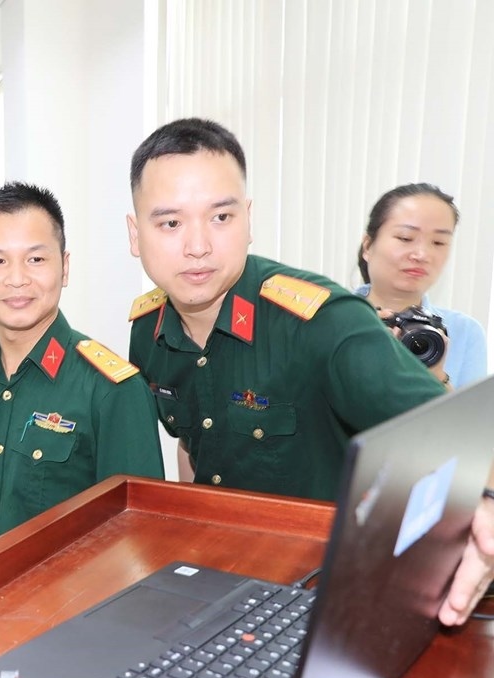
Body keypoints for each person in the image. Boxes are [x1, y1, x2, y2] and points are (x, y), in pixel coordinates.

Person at [123, 117, 493, 627]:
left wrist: (487, 498)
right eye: (170, 223)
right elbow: (192, 443)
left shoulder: (324, 322)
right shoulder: (148, 329)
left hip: (327, 594)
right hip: (221, 582)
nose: (198, 245)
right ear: (134, 234)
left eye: (221, 217)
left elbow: (455, 437)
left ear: (248, 220)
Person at [0, 183, 164, 569]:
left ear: (64, 266)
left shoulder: (111, 391)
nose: (17, 279)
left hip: (66, 619)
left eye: (36, 260)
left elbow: (139, 534)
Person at [355, 183, 487, 388]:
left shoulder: (463, 331)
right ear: (368, 246)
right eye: (405, 238)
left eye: (438, 242)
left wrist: (436, 378)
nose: (421, 255)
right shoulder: (329, 321)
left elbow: (471, 419)